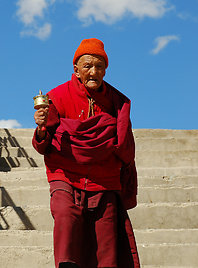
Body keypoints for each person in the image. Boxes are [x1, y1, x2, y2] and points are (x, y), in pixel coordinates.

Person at [32, 38, 140, 268]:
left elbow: (125, 147)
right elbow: (43, 144)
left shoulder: (116, 102)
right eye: (88, 66)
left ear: (105, 70)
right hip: (65, 174)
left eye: (99, 66)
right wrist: (40, 128)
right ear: (76, 70)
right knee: (65, 214)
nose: (93, 72)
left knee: (107, 243)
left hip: (104, 179)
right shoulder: (58, 96)